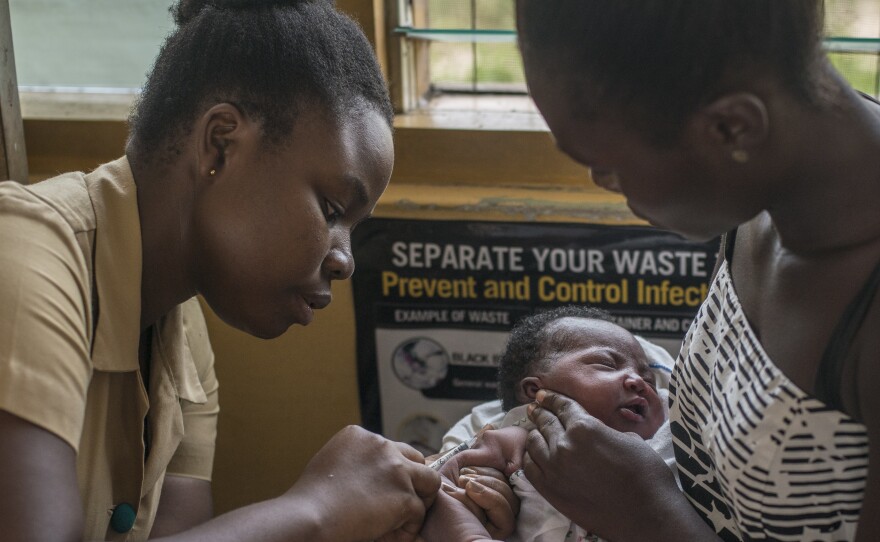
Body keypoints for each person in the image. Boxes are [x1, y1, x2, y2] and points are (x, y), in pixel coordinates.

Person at [0, 1, 457, 540]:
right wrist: (316, 510)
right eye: (332, 211)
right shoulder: (23, 254)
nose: (344, 260)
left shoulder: (180, 334)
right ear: (220, 143)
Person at [515, 2, 878, 541]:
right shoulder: (761, 191)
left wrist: (650, 515)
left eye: (610, 164)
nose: (601, 180)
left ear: (732, 128)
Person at [420, 305, 671, 541]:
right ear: (536, 392)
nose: (638, 382)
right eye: (606, 364)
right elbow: (442, 484)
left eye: (649, 379)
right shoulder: (519, 439)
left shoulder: (665, 448)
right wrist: (470, 534)